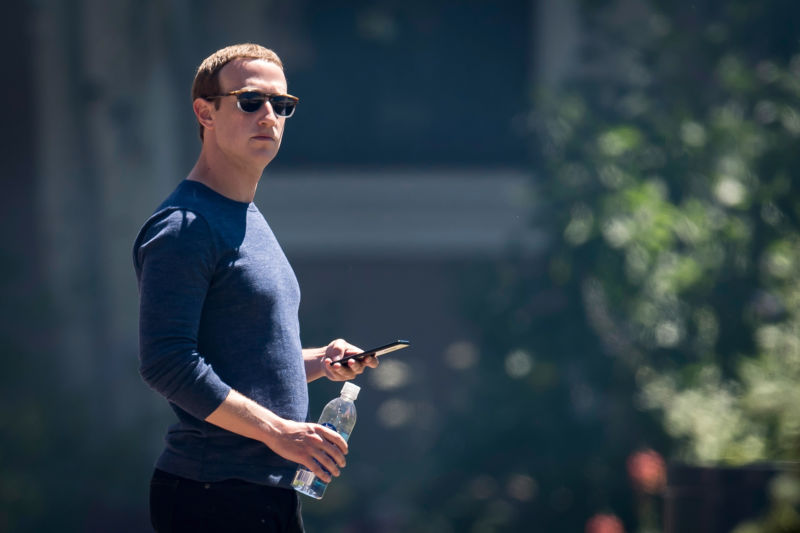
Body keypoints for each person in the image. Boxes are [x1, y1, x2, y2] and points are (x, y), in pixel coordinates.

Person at [132, 43, 377, 533]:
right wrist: (281, 433)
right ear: (205, 112)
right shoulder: (185, 225)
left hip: (266, 492)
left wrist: (319, 361)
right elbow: (166, 363)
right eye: (250, 102)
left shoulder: (245, 218)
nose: (269, 115)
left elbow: (246, 358)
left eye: (281, 105)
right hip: (213, 494)